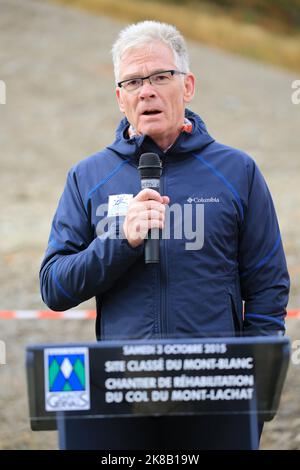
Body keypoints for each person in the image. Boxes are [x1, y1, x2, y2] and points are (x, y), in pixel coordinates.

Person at [40, 21, 289, 449]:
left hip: (216, 391)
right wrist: (120, 240)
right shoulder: (88, 177)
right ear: (120, 98)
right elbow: (54, 286)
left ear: (187, 86)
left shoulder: (236, 171)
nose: (146, 90)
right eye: (133, 81)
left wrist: (253, 384)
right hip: (123, 391)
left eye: (160, 76)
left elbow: (268, 288)